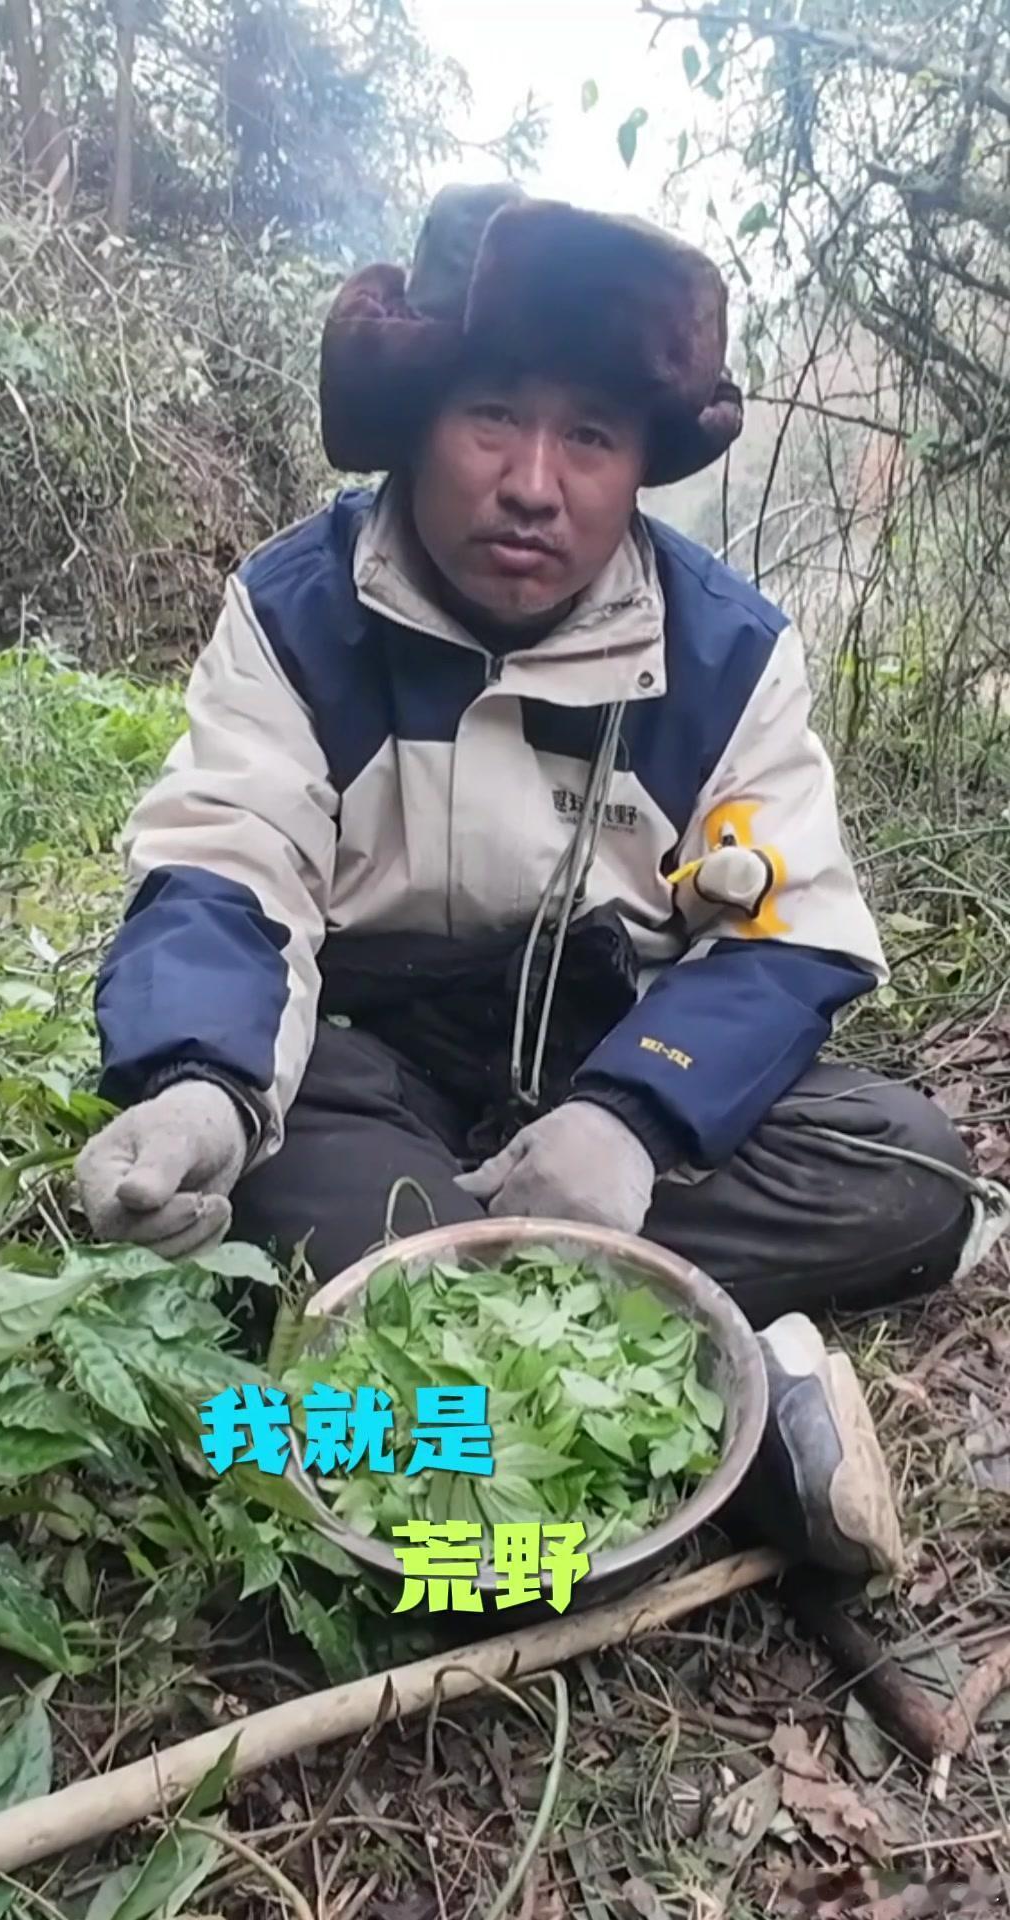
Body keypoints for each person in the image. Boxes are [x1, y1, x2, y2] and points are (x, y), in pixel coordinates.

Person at [77, 184, 1007, 1578]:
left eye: (590, 436)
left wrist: (635, 1117)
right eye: (492, 416)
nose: (533, 481)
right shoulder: (295, 614)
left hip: (606, 1050)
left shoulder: (727, 650)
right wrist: (203, 1082)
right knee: (302, 1212)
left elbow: (791, 935)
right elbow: (228, 863)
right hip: (364, 1075)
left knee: (911, 1176)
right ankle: (718, 1424)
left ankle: (446, 1329)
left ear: (640, 465)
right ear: (414, 420)